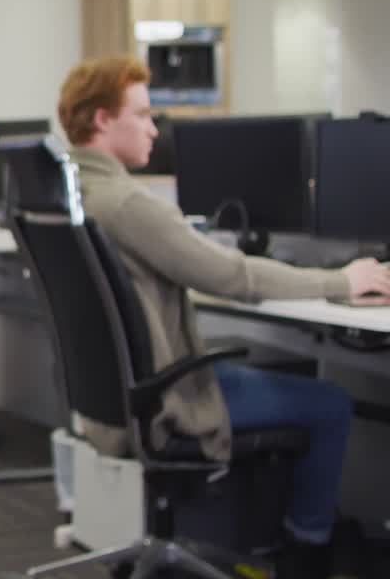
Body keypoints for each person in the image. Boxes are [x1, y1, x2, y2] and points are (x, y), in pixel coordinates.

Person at [57, 54, 390, 577]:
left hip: (116, 399)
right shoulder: (124, 202)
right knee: (331, 402)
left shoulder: (72, 192)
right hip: (170, 402)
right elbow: (234, 278)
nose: (154, 128)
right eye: (143, 115)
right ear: (101, 119)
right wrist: (342, 281)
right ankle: (308, 552)